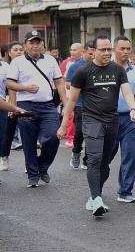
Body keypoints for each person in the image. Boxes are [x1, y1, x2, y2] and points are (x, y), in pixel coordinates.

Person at [57, 35, 135, 217]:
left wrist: (133, 108)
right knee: (94, 158)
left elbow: (127, 91)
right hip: (91, 120)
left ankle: (95, 195)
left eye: (109, 49)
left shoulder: (117, 70)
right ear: (93, 51)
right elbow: (72, 100)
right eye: (103, 49)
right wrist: (63, 125)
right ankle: (96, 199)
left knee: (105, 162)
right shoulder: (83, 72)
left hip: (112, 121)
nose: (107, 53)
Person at [6, 30, 68, 188]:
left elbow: (59, 82)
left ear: (42, 44)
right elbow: (10, 84)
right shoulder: (17, 62)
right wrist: (24, 88)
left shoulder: (50, 60)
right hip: (26, 105)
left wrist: (65, 102)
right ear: (25, 45)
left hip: (48, 106)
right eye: (31, 42)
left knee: (53, 137)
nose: (35, 45)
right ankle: (33, 175)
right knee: (29, 142)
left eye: (38, 42)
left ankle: (42, 166)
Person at [111, 36, 135, 203]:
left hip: (129, 118)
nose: (125, 52)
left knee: (131, 154)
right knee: (106, 156)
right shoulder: (107, 68)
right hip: (109, 118)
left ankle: (125, 191)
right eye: (122, 49)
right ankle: (97, 190)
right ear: (114, 50)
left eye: (128, 48)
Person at [65, 41, 95, 169]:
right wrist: (83, 86)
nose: (92, 56)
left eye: (95, 53)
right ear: (84, 52)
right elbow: (68, 84)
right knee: (80, 131)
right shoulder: (75, 66)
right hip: (79, 103)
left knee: (93, 132)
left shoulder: (99, 66)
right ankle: (76, 152)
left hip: (95, 104)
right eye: (90, 53)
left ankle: (87, 160)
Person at [0, 41, 25, 171]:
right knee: (7, 133)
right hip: (9, 103)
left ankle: (30, 161)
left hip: (26, 102)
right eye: (15, 50)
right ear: (9, 53)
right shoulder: (5, 67)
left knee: (28, 132)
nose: (19, 52)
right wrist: (11, 105)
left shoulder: (29, 66)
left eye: (21, 49)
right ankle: (4, 156)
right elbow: (8, 87)